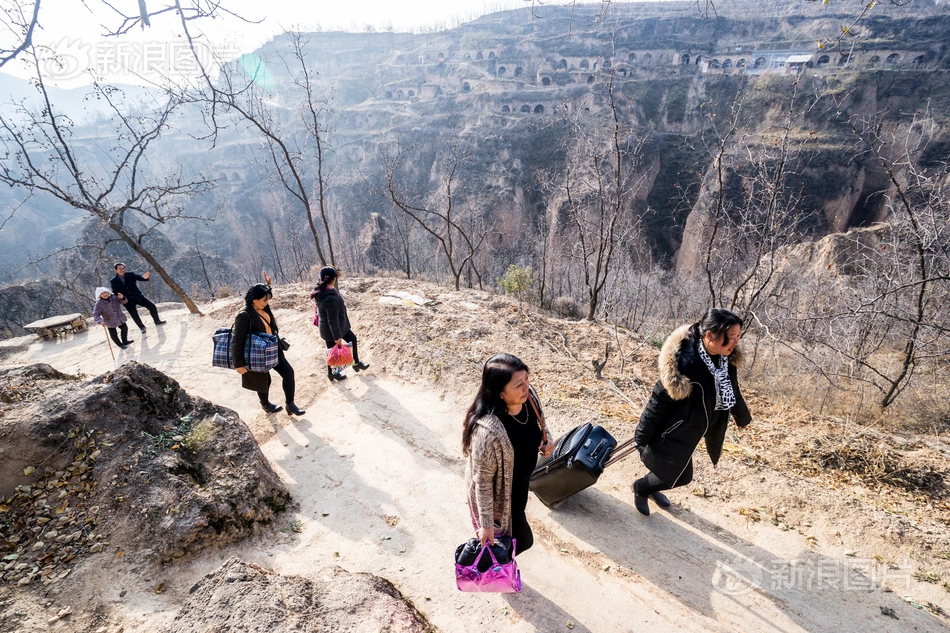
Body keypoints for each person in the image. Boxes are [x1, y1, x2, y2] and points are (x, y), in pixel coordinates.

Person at [631, 308, 752, 516]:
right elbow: (658, 400)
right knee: (682, 476)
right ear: (710, 336)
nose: (735, 342)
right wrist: (641, 436)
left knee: (672, 470)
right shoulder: (685, 362)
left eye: (738, 336)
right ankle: (641, 488)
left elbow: (732, 388)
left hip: (698, 425)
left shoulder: (725, 358)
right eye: (731, 337)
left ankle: (651, 485)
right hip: (675, 429)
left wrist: (742, 417)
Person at [463, 353, 555, 556]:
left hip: (519, 487)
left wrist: (546, 438)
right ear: (500, 393)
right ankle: (486, 568)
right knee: (516, 543)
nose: (526, 387)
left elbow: (540, 421)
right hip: (497, 499)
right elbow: (483, 482)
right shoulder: (488, 433)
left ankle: (502, 567)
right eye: (518, 384)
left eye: (527, 379)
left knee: (510, 544)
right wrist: (486, 524)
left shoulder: (529, 397)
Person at [232, 275, 305, 416]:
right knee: (264, 380)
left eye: (268, 299)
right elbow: (237, 340)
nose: (267, 302)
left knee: (288, 373)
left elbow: (265, 297)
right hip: (257, 352)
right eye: (264, 300)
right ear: (254, 300)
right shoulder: (244, 315)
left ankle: (290, 404)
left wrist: (268, 286)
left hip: (273, 348)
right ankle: (265, 404)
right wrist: (239, 364)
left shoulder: (262, 307)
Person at [312, 266, 369, 382]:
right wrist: (337, 337)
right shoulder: (330, 298)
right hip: (333, 329)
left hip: (335, 327)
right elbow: (332, 320)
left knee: (351, 339)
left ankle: (355, 363)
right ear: (333, 279)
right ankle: (332, 373)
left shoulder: (320, 290)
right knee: (332, 352)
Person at [109, 262, 166, 333]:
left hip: (138, 296)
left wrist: (145, 278)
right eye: (120, 269)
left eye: (123, 268)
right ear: (116, 270)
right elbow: (115, 292)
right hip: (127, 300)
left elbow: (140, 278)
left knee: (152, 306)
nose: (122, 270)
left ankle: (157, 321)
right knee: (134, 315)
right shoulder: (113, 281)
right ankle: (142, 327)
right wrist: (119, 297)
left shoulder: (130, 274)